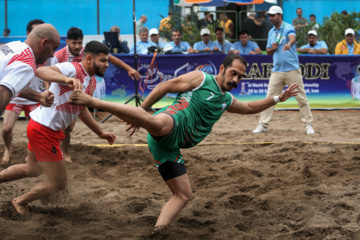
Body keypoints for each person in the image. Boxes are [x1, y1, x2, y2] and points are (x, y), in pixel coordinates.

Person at [69, 54, 300, 232]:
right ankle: (93, 101)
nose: (236, 79)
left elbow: (249, 108)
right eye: (233, 73)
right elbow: (163, 87)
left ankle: (158, 232)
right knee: (157, 124)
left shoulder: (226, 99)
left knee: (183, 195)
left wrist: (278, 98)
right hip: (171, 122)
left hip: (169, 145)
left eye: (240, 77)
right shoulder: (202, 79)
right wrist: (140, 113)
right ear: (221, 69)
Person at [0, 41, 117, 215]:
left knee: (32, 169)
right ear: (90, 59)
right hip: (43, 130)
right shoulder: (73, 69)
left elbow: (82, 108)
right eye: (103, 60)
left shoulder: (91, 81)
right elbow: (41, 71)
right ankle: (20, 201)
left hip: (41, 127)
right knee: (59, 183)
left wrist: (100, 132)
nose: (107, 64)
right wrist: (65, 79)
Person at [52, 27, 139, 163]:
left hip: (78, 89)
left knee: (69, 125)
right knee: (63, 124)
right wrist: (52, 89)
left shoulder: (88, 54)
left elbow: (109, 58)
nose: (77, 46)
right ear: (67, 42)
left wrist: (128, 68)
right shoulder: (60, 58)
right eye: (74, 43)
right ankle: (60, 152)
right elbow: (45, 73)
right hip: (63, 90)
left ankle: (64, 152)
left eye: (80, 43)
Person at [252, 6, 315, 135]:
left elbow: (293, 37)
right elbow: (268, 52)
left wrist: (289, 44)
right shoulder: (271, 32)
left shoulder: (288, 27)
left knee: (301, 98)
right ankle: (263, 124)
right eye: (269, 15)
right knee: (269, 98)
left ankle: (308, 124)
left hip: (292, 69)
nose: (270, 18)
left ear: (280, 16)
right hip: (277, 70)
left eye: (273, 15)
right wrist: (273, 48)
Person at [2, 19, 51, 165]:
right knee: (6, 128)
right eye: (36, 32)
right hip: (16, 96)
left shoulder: (44, 55)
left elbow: (46, 73)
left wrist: (47, 88)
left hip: (34, 96)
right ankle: (8, 149)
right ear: (29, 34)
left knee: (35, 130)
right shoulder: (21, 51)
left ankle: (31, 154)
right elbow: (8, 86)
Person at [0, 23, 59, 124]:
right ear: (44, 43)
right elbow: (3, 92)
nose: (52, 55)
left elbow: (10, 83)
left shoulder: (13, 45)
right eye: (53, 49)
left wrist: (38, 96)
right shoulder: (27, 64)